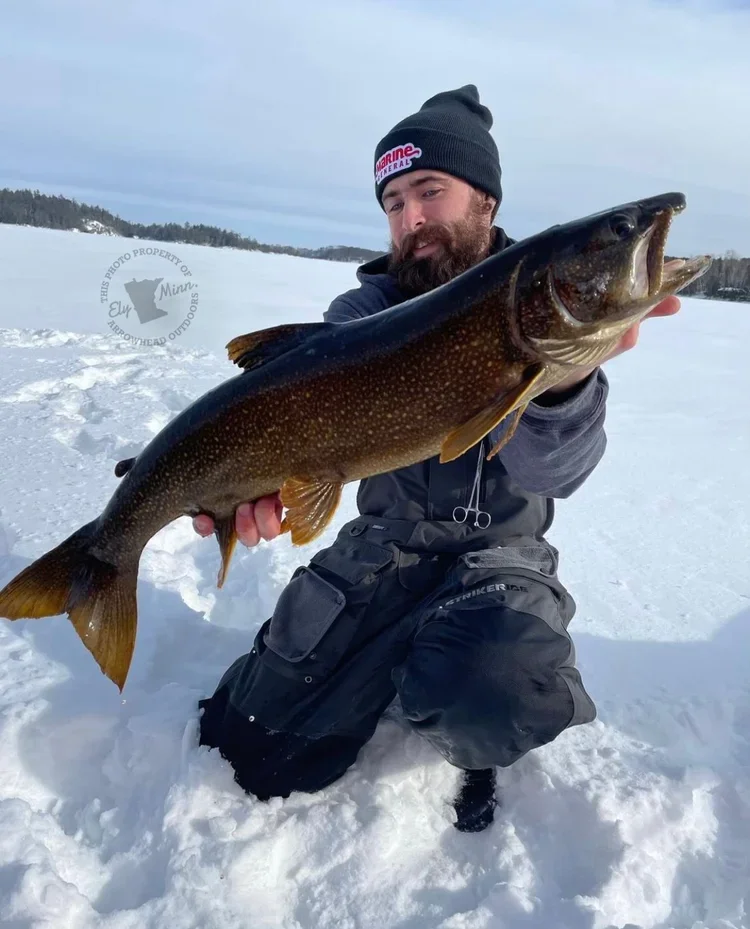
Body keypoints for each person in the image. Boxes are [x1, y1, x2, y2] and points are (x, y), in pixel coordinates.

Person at [195, 85, 681, 832]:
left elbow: (556, 474)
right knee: (252, 750)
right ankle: (376, 662)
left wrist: (565, 378)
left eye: (430, 191)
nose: (411, 218)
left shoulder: (533, 304)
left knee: (493, 690)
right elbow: (294, 440)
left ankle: (465, 717)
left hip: (498, 558)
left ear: (485, 199)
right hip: (382, 552)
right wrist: (238, 484)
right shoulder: (361, 316)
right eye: (393, 202)